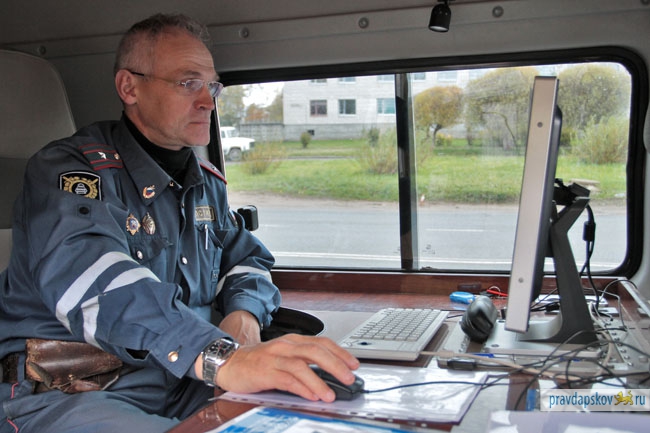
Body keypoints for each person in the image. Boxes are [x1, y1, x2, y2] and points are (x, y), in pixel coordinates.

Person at [0, 13, 359, 433]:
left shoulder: (204, 183)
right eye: (189, 83)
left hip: (180, 379)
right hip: (74, 391)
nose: (208, 100)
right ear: (129, 87)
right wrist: (221, 357)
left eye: (212, 86)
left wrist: (243, 315)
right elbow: (95, 280)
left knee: (316, 414)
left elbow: (246, 259)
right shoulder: (68, 173)